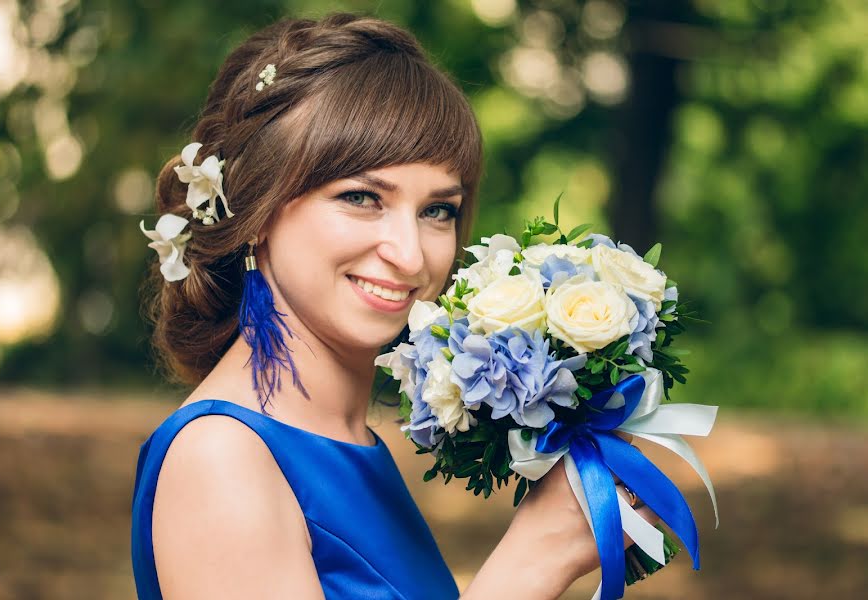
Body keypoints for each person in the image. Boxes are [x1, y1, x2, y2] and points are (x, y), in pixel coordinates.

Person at [130, 11, 660, 600]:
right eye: (361, 198)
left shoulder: (348, 442)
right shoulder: (220, 458)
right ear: (256, 209)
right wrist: (536, 560)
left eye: (438, 210)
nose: (410, 256)